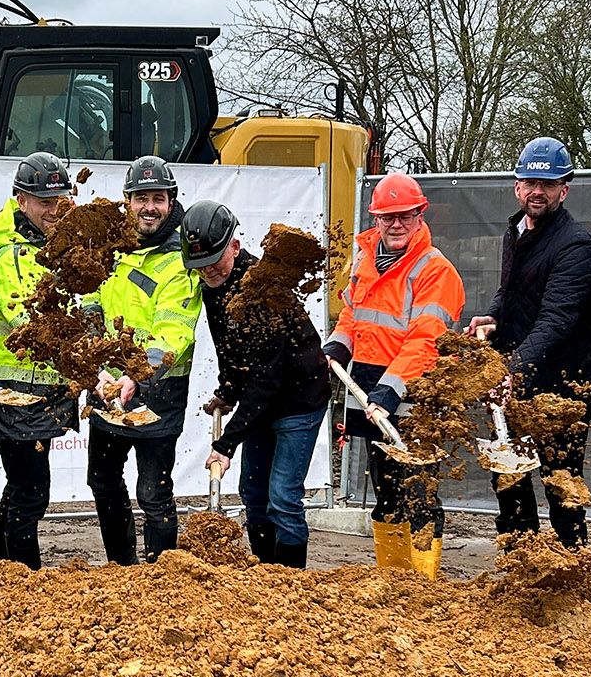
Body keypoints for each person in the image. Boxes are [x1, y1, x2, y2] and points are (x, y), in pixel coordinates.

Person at [324, 174, 464, 576]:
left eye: (404, 216)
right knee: (386, 494)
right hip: (368, 388)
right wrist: (338, 342)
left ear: (420, 215)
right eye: (388, 217)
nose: (396, 224)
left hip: (416, 396)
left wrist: (390, 391)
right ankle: (393, 579)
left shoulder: (435, 270)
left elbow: (426, 340)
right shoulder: (366, 260)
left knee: (419, 493)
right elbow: (354, 315)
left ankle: (422, 584)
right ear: (377, 219)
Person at [467, 137, 591, 548]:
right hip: (518, 381)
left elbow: (558, 318)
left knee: (562, 488)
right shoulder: (516, 231)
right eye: (530, 182)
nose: (537, 191)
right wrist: (494, 314)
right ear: (516, 186)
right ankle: (520, 568)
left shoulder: (576, 245)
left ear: (565, 188)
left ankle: (572, 570)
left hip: (563, 388)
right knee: (510, 482)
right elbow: (513, 292)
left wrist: (511, 367)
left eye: (548, 183)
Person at [185, 201, 331, 568]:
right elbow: (231, 350)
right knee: (253, 494)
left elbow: (267, 377)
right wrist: (226, 390)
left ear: (234, 246)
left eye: (215, 262)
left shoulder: (266, 289)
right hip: (260, 402)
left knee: (282, 496)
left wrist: (225, 444)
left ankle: (290, 582)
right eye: (200, 267)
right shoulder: (212, 285)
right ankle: (264, 576)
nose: (209, 273)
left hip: (298, 399)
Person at [87, 156, 203, 563]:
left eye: (158, 198)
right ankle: (122, 567)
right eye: (141, 198)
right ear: (127, 201)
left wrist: (137, 376)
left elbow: (174, 329)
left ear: (171, 202)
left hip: (158, 391)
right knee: (102, 481)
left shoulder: (181, 257)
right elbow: (88, 305)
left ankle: (161, 577)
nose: (149, 207)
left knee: (153, 492)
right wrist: (96, 368)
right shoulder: (109, 248)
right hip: (107, 388)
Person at [0, 152, 79, 569]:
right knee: (32, 490)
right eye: (44, 201)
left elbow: (86, 304)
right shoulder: (7, 253)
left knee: (20, 485)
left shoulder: (65, 246)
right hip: (12, 392)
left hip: (47, 388)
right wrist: (85, 354)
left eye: (60, 199)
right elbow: (31, 323)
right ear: (21, 201)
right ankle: (24, 575)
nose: (55, 209)